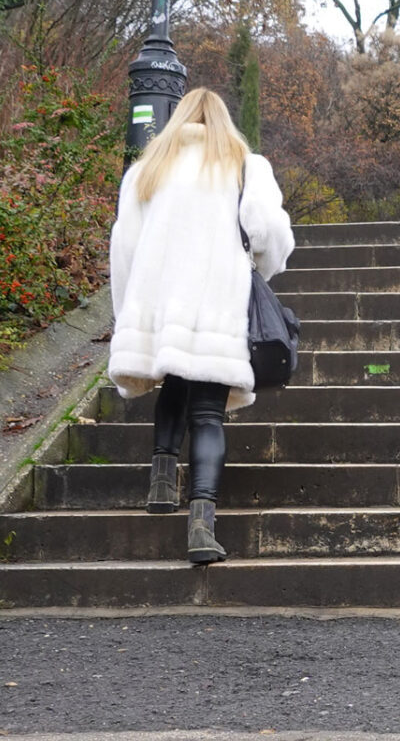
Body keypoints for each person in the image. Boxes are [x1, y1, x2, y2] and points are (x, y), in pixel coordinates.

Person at [106, 87, 295, 566]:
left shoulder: (146, 170)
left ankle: (161, 482)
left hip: (159, 299)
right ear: (223, 121)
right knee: (208, 412)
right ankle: (201, 527)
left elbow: (123, 249)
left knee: (175, 374)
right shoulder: (244, 165)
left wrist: (129, 313)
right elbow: (269, 234)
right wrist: (258, 268)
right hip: (217, 301)